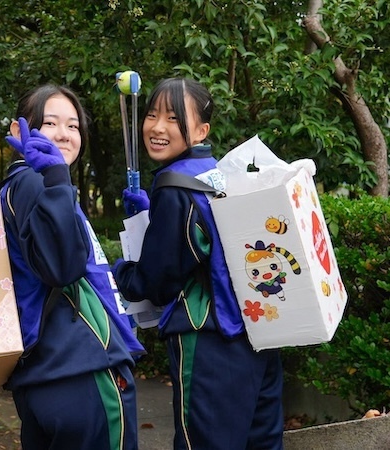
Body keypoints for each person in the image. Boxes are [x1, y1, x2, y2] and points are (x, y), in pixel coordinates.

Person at [114, 77, 284, 449]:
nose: (158, 127)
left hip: (209, 339)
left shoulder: (175, 186)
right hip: (257, 333)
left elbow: (156, 282)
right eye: (152, 114)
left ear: (201, 129)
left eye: (173, 119)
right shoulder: (215, 172)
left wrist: (121, 271)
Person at [0, 84, 144, 450]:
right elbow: (63, 267)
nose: (64, 134)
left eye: (73, 126)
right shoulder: (36, 182)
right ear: (19, 131)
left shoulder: (25, 186)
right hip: (80, 372)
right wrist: (57, 181)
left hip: (48, 373)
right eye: (49, 123)